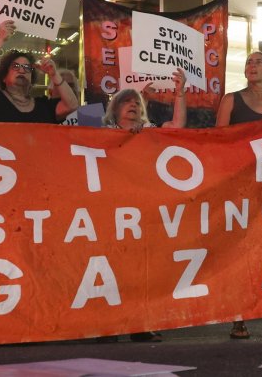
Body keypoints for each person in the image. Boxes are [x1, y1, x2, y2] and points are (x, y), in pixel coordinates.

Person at [96, 67, 186, 343]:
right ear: (115, 108)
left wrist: (180, 91)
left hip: (142, 210)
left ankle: (140, 324)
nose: (133, 105)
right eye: (127, 101)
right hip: (111, 210)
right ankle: (108, 326)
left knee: (141, 268)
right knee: (110, 267)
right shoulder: (99, 133)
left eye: (137, 101)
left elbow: (178, 127)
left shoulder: (150, 132)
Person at [215, 51, 262, 340]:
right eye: (248, 61)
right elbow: (218, 142)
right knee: (241, 256)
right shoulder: (230, 100)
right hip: (239, 189)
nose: (252, 65)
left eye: (258, 61)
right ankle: (240, 317)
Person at [0, 19, 78, 123]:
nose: (22, 70)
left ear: (31, 78)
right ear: (4, 76)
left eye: (27, 67)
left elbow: (72, 105)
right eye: (15, 66)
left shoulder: (44, 106)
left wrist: (54, 75)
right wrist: (0, 39)